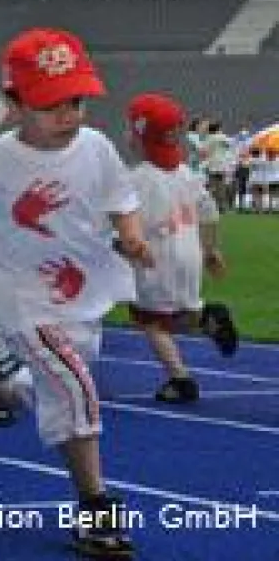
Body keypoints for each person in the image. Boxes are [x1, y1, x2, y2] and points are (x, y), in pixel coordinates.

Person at [0, 28, 152, 558]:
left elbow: (122, 196)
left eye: (75, 100)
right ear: (12, 104)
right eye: (52, 105)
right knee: (75, 389)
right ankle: (96, 510)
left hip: (80, 291)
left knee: (56, 381)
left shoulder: (95, 148)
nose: (69, 114)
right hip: (23, 294)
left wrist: (133, 234)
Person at [123, 93, 237, 403]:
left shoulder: (137, 180)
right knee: (180, 310)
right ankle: (206, 320)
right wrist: (211, 249)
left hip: (157, 258)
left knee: (152, 322)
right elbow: (209, 211)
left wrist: (121, 247)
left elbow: (131, 227)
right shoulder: (187, 173)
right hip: (190, 253)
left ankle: (180, 379)